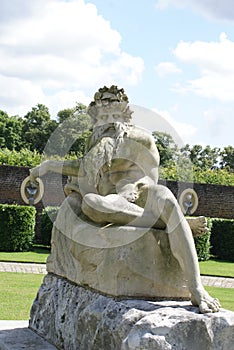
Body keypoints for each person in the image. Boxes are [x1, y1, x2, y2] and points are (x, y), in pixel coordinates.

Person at [30, 85, 220, 313]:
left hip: (142, 194)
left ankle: (197, 288)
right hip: (116, 200)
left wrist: (50, 165)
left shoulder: (137, 137)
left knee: (167, 198)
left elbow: (94, 162)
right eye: (102, 110)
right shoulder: (96, 139)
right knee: (92, 203)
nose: (108, 115)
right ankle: (173, 222)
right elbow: (90, 171)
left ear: (124, 112)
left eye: (113, 109)